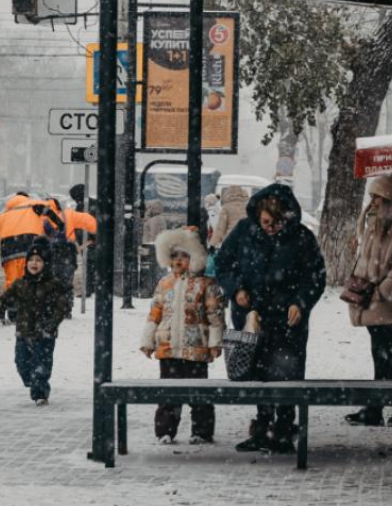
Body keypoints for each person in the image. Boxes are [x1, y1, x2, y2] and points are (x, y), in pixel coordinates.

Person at [214, 183, 326, 453]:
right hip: (253, 317)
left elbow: (316, 275)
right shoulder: (243, 231)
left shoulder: (301, 237)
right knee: (258, 373)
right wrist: (236, 288)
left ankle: (285, 428)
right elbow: (222, 263)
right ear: (259, 215)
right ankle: (263, 426)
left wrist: (300, 302)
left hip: (288, 320)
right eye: (266, 222)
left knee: (286, 373)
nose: (271, 228)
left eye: (276, 223)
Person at [140, 227, 225, 444]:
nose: (178, 261)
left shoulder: (205, 284)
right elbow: (154, 314)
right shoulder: (164, 284)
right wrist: (148, 340)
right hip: (168, 348)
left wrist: (215, 342)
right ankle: (165, 430)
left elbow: (215, 315)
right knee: (168, 393)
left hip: (195, 348)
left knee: (199, 393)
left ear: (194, 258)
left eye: (184, 256)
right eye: (174, 256)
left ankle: (202, 431)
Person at [345, 174, 392, 428]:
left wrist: (382, 291)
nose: (372, 201)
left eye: (376, 196)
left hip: (384, 301)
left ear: (386, 198)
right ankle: (384, 407)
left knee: (386, 353)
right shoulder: (375, 224)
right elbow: (370, 258)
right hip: (372, 299)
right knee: (382, 353)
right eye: (371, 196)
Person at [0, 236, 69, 406]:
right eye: (31, 260)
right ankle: (32, 381)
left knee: (41, 366)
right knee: (21, 363)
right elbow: (5, 300)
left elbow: (61, 308)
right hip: (23, 332)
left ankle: (40, 393)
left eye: (38, 260)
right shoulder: (20, 284)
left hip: (45, 334)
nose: (34, 263)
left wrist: (51, 325)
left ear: (46, 263)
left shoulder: (53, 285)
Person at [0, 193, 62, 288]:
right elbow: (48, 209)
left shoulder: (3, 214)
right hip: (28, 248)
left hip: (8, 252)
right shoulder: (32, 204)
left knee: (12, 283)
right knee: (31, 281)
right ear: (26, 198)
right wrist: (60, 225)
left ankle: (12, 300)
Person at [209, 185, 249, 250]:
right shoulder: (247, 208)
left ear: (228, 194)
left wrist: (213, 244)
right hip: (244, 241)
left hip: (230, 240)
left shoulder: (226, 207)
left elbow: (220, 228)